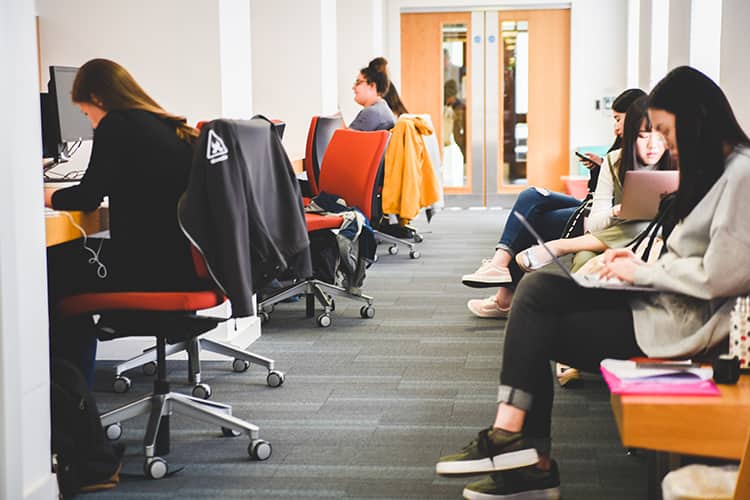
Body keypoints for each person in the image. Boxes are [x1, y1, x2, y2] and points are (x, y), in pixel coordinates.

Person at [435, 65, 750, 500]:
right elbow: (687, 253)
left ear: (693, 117)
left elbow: (721, 274)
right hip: (658, 303)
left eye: (663, 128)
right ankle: (515, 440)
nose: (663, 140)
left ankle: (525, 454)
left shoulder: (742, 175)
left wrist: (640, 271)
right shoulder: (717, 171)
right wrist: (632, 257)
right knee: (537, 288)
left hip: (681, 326)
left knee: (536, 319)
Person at [45, 58, 204, 385]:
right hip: (182, 264)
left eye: (86, 112)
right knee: (70, 259)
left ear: (98, 99)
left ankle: (73, 399)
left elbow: (88, 196)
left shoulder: (117, 125)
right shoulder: (164, 125)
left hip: (151, 269)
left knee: (55, 265)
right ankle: (74, 394)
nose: (88, 122)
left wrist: (47, 196)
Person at [462, 89, 647, 316]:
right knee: (532, 196)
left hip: (596, 217)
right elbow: (599, 194)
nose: (615, 126)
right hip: (592, 207)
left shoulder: (646, 153)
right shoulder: (616, 154)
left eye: (619, 119)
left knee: (534, 218)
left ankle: (503, 292)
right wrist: (599, 168)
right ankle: (499, 267)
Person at [514, 95, 671, 273]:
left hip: (662, 234)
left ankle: (560, 246)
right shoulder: (614, 161)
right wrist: (615, 212)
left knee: (645, 226)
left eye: (661, 137)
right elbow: (595, 224)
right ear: (630, 136)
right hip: (616, 231)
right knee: (532, 199)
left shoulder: (677, 162)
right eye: (643, 136)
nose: (653, 146)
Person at [349, 57, 396, 132]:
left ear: (372, 86)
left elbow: (343, 141)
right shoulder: (382, 108)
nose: (353, 87)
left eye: (358, 82)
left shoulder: (371, 113)